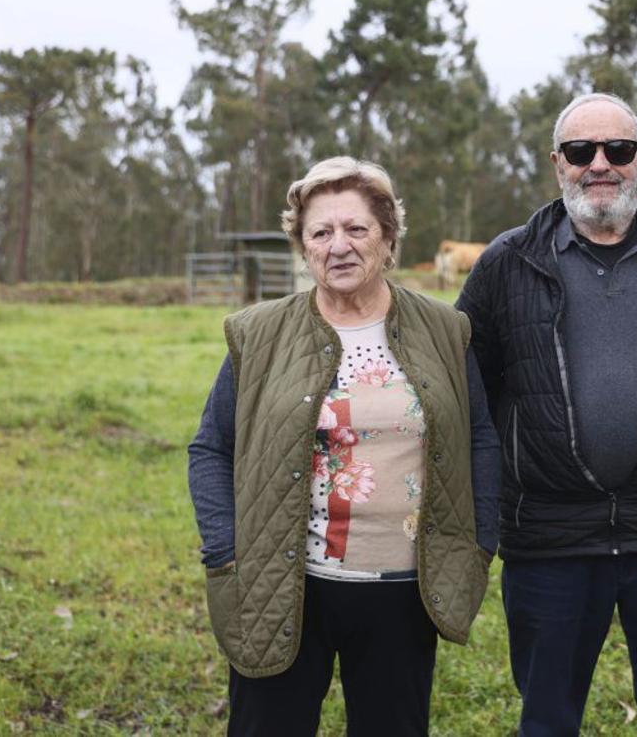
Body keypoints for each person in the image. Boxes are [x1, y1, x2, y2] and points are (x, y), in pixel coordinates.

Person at [457, 93, 637, 736]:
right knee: (549, 719)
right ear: (558, 164)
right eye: (580, 151)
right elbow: (473, 381)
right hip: (550, 537)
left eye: (616, 150)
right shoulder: (507, 263)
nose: (599, 165)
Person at [188, 156, 499, 737]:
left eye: (356, 229)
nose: (339, 246)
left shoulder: (444, 330)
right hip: (283, 583)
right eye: (321, 232)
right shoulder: (259, 334)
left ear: (387, 238)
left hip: (405, 593)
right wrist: (224, 551)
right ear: (303, 247)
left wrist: (481, 541)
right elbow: (210, 448)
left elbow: (480, 436)